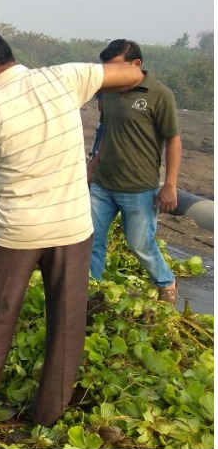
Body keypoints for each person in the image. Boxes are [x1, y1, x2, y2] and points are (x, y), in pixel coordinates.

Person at [0, 29, 143, 436]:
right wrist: (131, 79)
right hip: (73, 225)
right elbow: (129, 75)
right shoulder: (64, 77)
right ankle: (48, 413)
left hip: (16, 231)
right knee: (68, 318)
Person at [87, 39, 181, 304]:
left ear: (135, 64)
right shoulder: (107, 92)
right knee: (92, 238)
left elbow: (173, 139)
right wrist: (91, 168)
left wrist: (170, 185)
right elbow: (105, 131)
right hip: (103, 184)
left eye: (115, 68)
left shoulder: (159, 94)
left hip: (139, 187)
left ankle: (166, 282)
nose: (109, 74)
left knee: (140, 244)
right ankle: (92, 290)